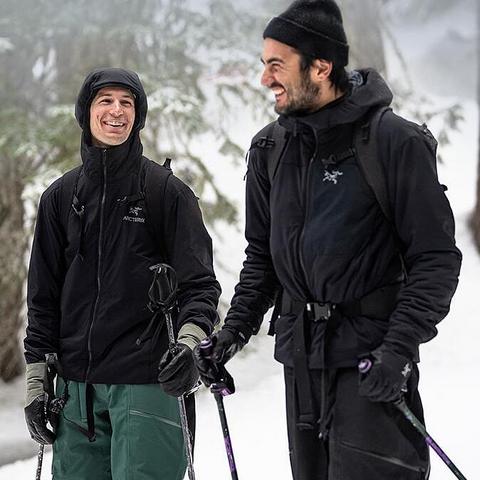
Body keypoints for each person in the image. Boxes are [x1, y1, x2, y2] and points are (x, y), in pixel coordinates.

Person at [194, 1, 462, 479]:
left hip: (371, 364)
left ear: (321, 66)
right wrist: (230, 335)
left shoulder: (393, 142)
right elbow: (263, 259)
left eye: (277, 65)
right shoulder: (270, 149)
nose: (265, 79)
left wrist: (397, 350)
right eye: (264, 65)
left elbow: (436, 259)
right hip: (302, 362)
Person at [24, 67, 221, 480]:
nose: (117, 112)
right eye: (106, 101)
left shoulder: (166, 192)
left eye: (127, 103)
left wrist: (187, 347)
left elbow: (201, 288)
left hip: (147, 383)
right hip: (75, 391)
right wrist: (37, 384)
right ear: (86, 112)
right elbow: (42, 299)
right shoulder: (60, 198)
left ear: (138, 115)